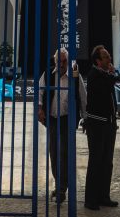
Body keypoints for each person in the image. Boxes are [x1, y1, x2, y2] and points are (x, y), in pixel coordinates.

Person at [37, 48, 86, 203]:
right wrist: (39, 108)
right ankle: (60, 184)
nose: (63, 64)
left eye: (65, 61)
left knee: (64, 152)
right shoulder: (48, 74)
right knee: (54, 152)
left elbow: (82, 96)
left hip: (67, 119)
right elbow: (39, 91)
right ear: (55, 61)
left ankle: (61, 188)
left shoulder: (75, 76)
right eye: (60, 61)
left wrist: (84, 117)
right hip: (52, 119)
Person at [84, 45, 119, 210]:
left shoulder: (105, 74)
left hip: (109, 122)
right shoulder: (94, 75)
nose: (109, 59)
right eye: (105, 57)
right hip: (97, 123)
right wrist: (112, 74)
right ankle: (91, 199)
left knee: (107, 161)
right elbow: (106, 88)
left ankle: (103, 195)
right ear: (98, 61)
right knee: (96, 161)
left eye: (109, 56)